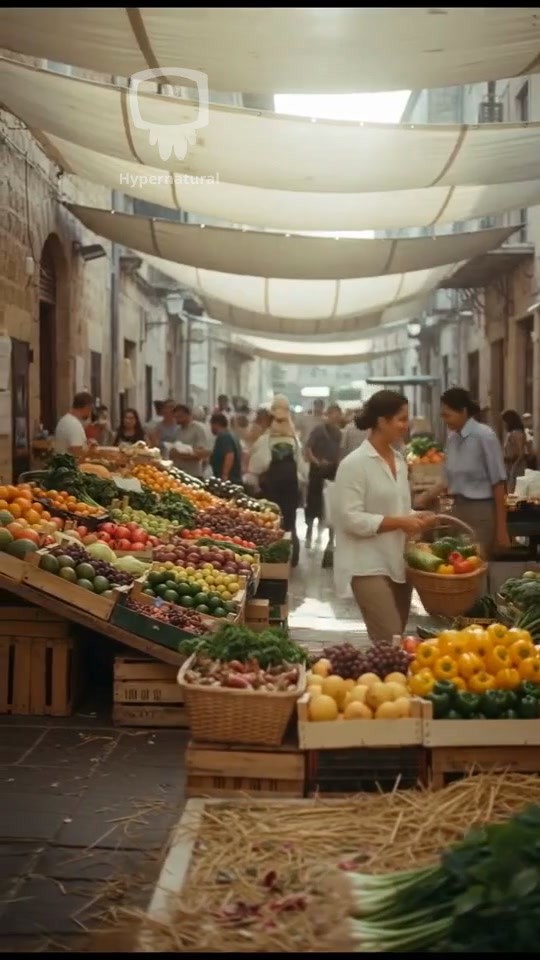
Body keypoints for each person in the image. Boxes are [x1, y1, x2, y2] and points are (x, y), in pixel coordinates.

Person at [333, 390, 435, 643]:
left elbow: (399, 509)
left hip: (398, 564)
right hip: (366, 565)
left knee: (394, 642)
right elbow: (350, 518)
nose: (406, 425)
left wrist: (416, 516)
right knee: (389, 637)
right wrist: (401, 522)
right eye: (400, 419)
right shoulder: (354, 464)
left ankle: (383, 681)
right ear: (381, 421)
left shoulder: (399, 461)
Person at [418, 387, 509, 556]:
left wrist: (502, 530)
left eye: (448, 415)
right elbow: (446, 479)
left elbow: (499, 483)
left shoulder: (484, 436)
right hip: (457, 511)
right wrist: (424, 498)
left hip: (481, 512)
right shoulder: (452, 439)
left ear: (463, 411)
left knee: (476, 563)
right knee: (459, 566)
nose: (445, 421)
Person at [248, 395, 304, 567]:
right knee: (290, 520)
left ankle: (275, 557)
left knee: (272, 520)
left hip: (272, 484)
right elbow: (302, 468)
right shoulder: (294, 440)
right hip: (291, 484)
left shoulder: (266, 440)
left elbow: (257, 466)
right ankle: (292, 558)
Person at [304, 403, 343, 548]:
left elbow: (340, 451)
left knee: (326, 503)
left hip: (331, 472)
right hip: (316, 471)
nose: (335, 419)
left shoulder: (339, 433)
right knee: (313, 501)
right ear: (328, 415)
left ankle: (324, 530)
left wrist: (336, 464)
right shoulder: (318, 430)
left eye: (338, 416)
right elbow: (308, 448)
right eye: (333, 415)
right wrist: (316, 462)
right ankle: (309, 529)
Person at [171, 404, 211, 478]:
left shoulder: (198, 429)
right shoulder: (177, 431)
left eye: (179, 417)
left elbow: (201, 453)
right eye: (175, 417)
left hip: (193, 473)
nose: (177, 420)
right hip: (178, 472)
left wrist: (182, 455)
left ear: (188, 415)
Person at [210, 413, 243, 484]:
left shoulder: (224, 436)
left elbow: (229, 455)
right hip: (234, 477)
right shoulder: (232, 435)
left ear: (216, 424)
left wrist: (225, 475)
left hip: (229, 479)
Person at [502, 409, 528, 493]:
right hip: (509, 465)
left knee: (514, 490)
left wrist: (514, 466)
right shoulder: (510, 433)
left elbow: (520, 452)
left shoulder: (517, 433)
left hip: (516, 466)